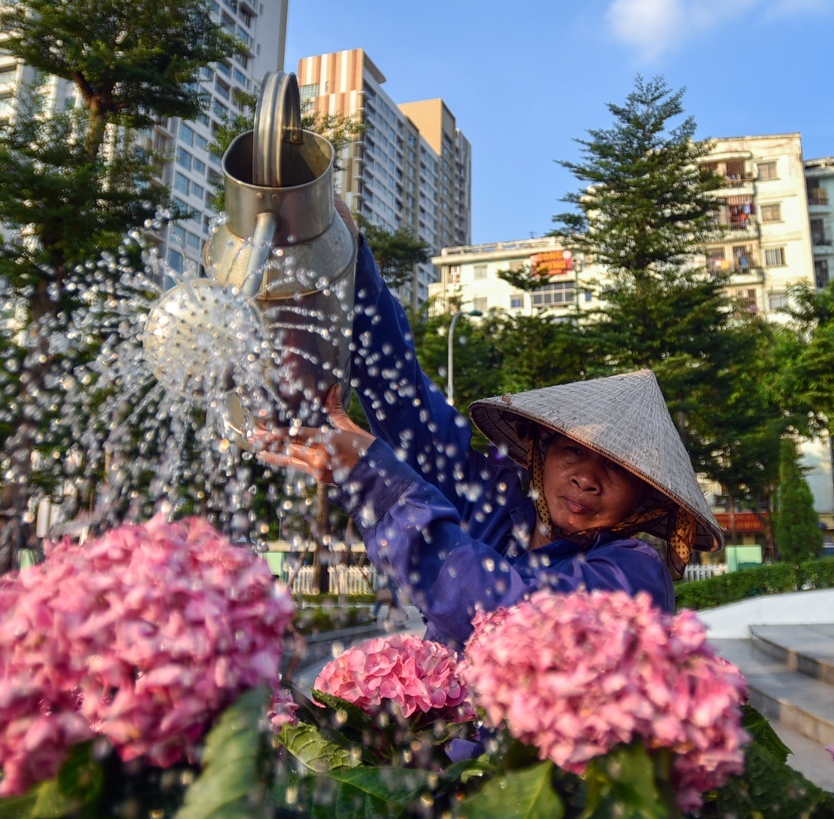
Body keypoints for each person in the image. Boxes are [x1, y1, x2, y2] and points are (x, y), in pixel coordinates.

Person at [255, 225, 722, 648]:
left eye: (617, 470)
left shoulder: (634, 572)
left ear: (646, 497)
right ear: (540, 452)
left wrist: (375, 477)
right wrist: (349, 254)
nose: (587, 479)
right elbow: (408, 406)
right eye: (573, 452)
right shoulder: (500, 505)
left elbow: (507, 617)